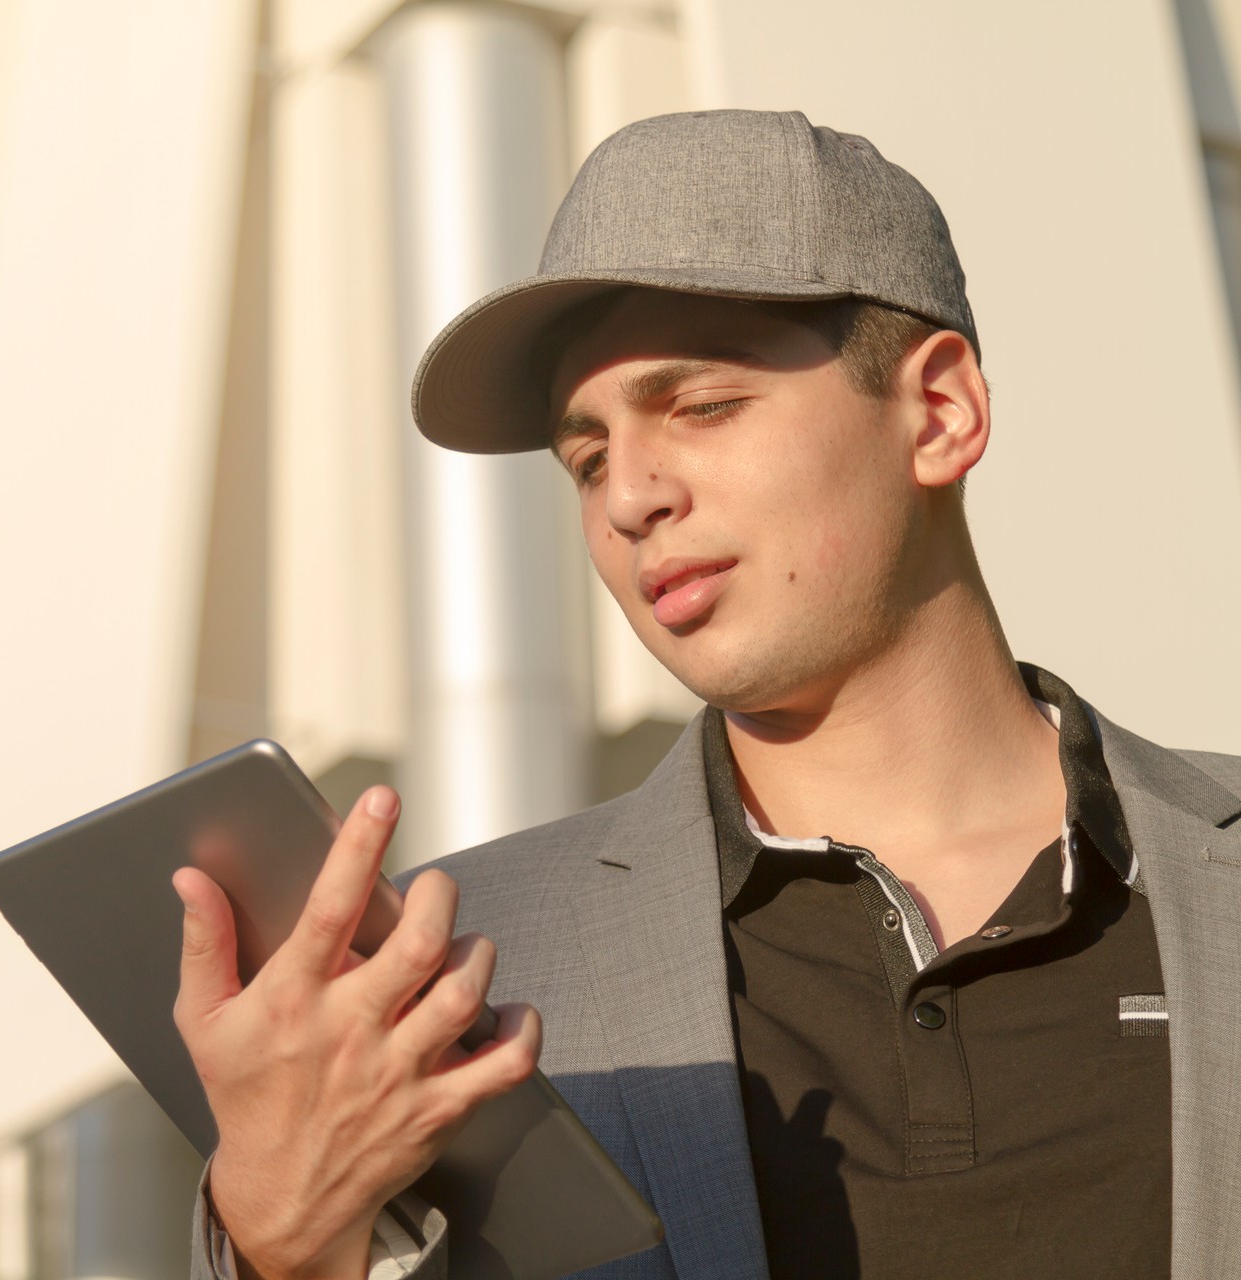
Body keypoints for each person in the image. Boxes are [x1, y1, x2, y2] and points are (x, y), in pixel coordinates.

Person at [171, 109, 1241, 1279]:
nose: (627, 495)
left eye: (702, 407)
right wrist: (280, 1243)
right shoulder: (456, 977)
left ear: (939, 411)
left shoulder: (1210, 881)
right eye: (585, 459)